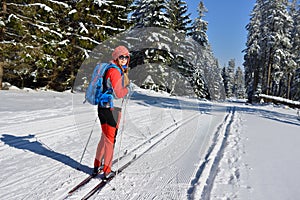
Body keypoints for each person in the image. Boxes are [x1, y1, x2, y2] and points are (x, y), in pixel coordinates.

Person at [92, 46, 130, 179]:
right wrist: (127, 90)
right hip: (110, 109)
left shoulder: (115, 69)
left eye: (126, 57)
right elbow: (118, 93)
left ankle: (97, 166)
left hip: (105, 107)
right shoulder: (114, 71)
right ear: (116, 58)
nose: (124, 59)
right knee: (109, 140)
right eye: (121, 57)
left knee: (105, 137)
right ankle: (107, 170)